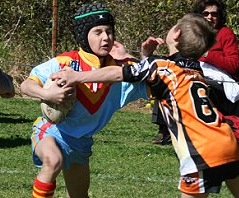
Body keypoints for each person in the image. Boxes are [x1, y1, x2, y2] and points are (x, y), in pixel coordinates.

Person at [51, 13, 239, 197]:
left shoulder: (160, 66)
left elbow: (118, 73)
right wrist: (143, 58)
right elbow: (156, 76)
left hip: (202, 149)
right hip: (226, 140)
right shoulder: (197, 71)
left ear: (175, 33)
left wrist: (78, 76)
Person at [20, 3, 148, 197]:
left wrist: (139, 57)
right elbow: (26, 85)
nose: (106, 37)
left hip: (80, 143)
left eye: (109, 31)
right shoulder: (66, 62)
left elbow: (150, 80)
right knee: (53, 161)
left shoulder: (121, 71)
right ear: (84, 36)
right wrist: (48, 95)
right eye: (97, 32)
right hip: (53, 131)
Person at [152, 0, 239, 145]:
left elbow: (234, 65)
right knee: (167, 82)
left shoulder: (226, 34)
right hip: (189, 72)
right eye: (205, 13)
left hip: (218, 83)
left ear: (220, 16)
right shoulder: (191, 32)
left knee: (199, 87)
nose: (209, 17)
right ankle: (164, 129)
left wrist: (207, 55)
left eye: (214, 14)